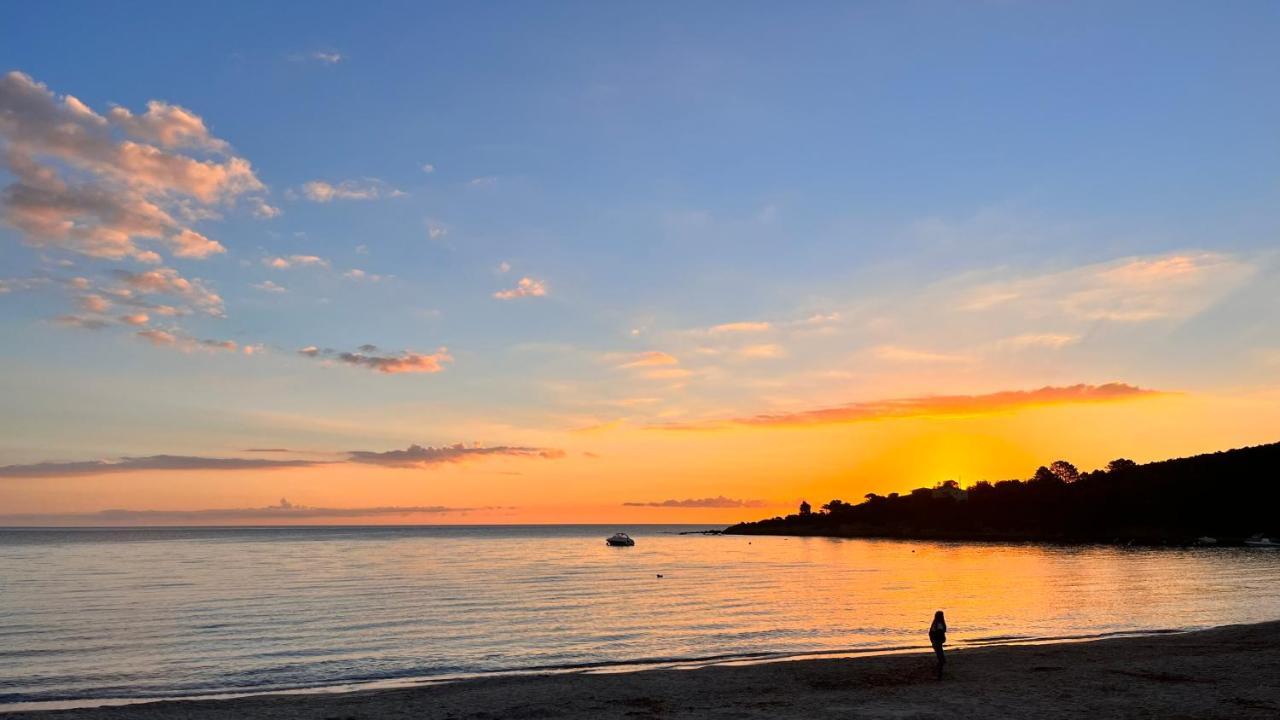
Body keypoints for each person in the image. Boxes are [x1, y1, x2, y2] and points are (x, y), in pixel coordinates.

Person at [929, 610, 947, 679]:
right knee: (941, 660)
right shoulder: (938, 625)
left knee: (941, 659)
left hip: (936, 642)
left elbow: (930, 633)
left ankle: (938, 674)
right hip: (937, 643)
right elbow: (940, 633)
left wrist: (932, 641)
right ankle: (938, 675)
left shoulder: (935, 624)